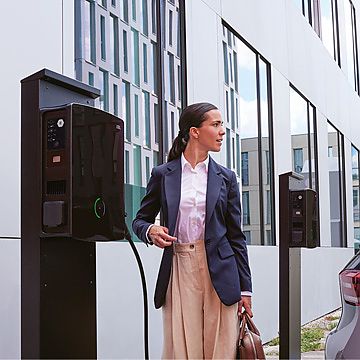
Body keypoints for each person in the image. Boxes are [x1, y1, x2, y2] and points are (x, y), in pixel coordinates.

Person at [132, 102, 252, 359]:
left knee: (220, 347)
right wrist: (151, 230)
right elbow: (139, 220)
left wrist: (245, 289)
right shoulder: (163, 174)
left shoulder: (227, 177)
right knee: (184, 346)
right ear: (195, 131)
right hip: (179, 266)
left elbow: (236, 237)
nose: (222, 132)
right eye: (216, 124)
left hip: (220, 268)